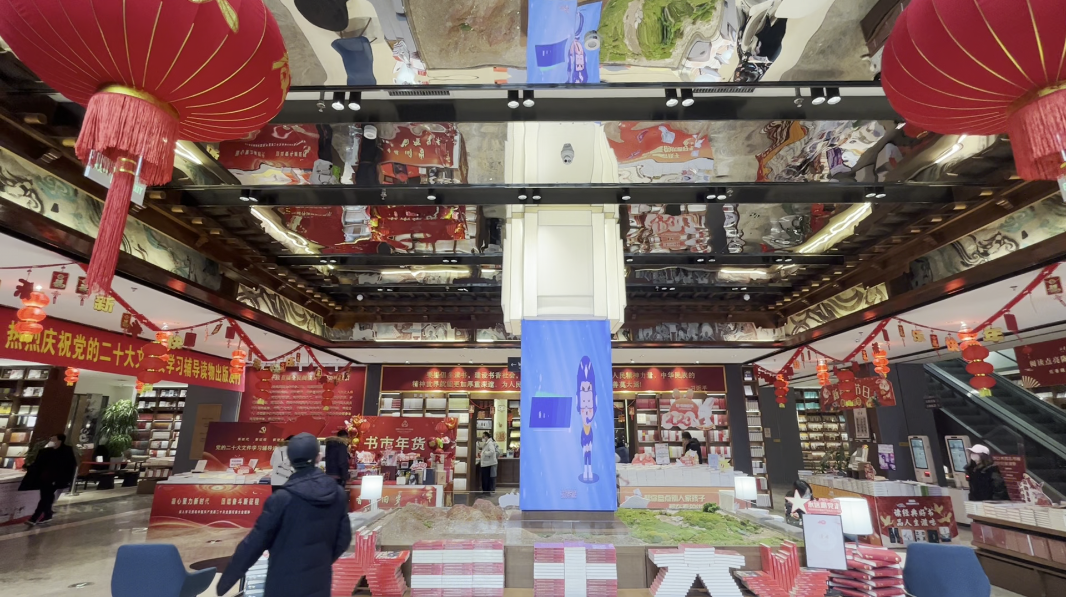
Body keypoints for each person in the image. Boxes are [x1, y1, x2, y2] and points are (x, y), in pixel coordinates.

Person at [218, 433, 352, 597]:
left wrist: (226, 582)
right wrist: (321, 561)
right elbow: (343, 539)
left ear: (290, 460)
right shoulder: (337, 494)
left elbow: (254, 543)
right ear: (318, 457)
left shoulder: (281, 498)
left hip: (282, 584)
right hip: (319, 583)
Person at [21, 434, 77, 526]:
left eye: (54, 439)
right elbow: (38, 464)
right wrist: (28, 467)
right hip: (44, 478)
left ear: (60, 441)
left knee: (45, 497)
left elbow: (70, 466)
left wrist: (66, 479)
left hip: (56, 479)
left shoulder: (66, 451)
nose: (51, 441)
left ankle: (34, 518)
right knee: (46, 497)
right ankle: (48, 514)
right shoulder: (46, 451)